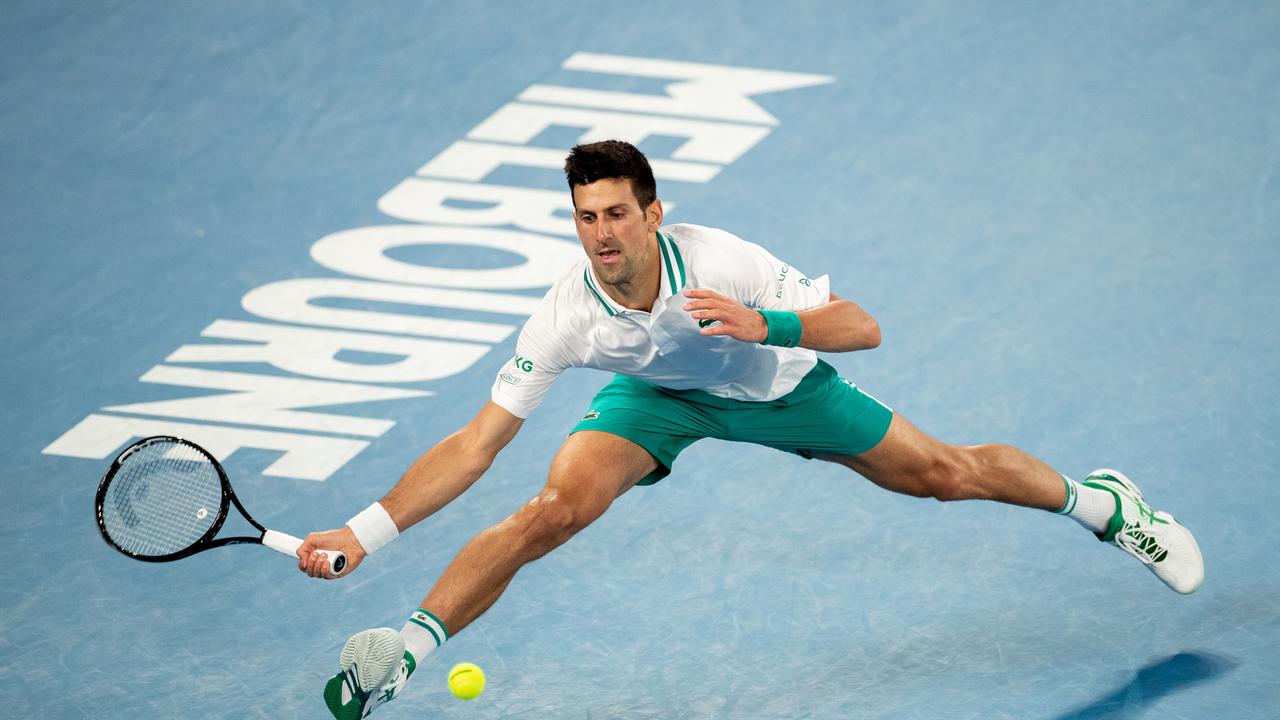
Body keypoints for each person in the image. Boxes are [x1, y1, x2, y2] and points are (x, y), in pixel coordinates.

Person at [298, 140, 1204, 719]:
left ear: (653, 212)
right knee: (553, 510)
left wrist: (763, 325)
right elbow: (475, 443)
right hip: (655, 399)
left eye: (617, 212)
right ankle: (399, 656)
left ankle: (1105, 506)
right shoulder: (566, 313)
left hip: (776, 383)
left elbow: (863, 325)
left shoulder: (724, 259)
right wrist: (366, 532)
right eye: (585, 217)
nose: (601, 233)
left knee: (942, 474)